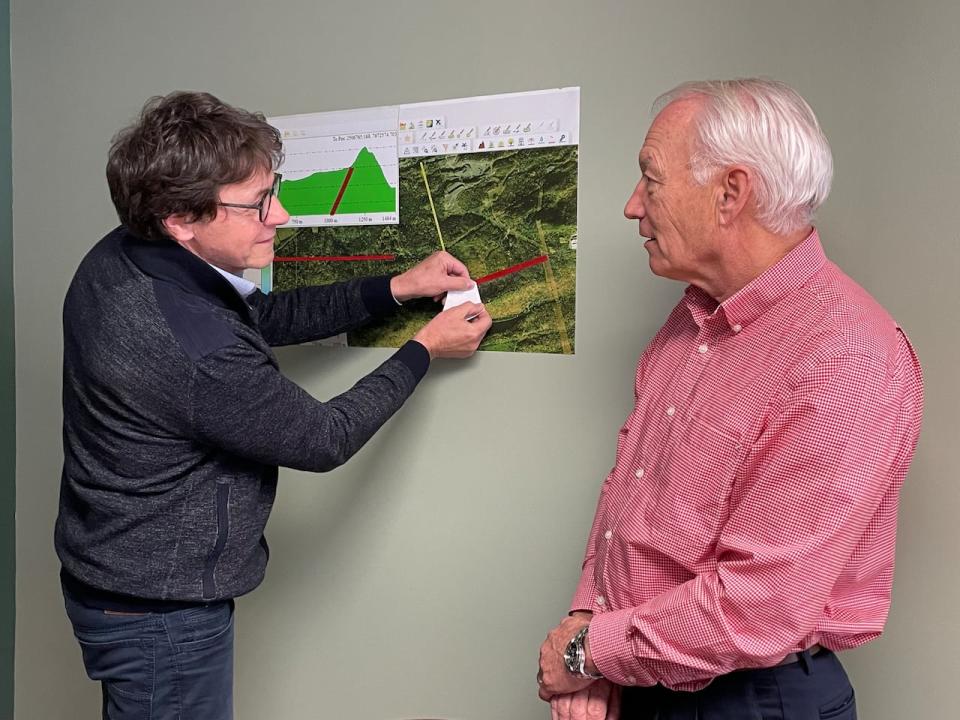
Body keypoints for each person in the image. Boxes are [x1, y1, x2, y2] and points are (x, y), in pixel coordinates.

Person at [54, 91, 492, 720]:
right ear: (181, 217)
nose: (280, 214)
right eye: (257, 202)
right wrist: (425, 347)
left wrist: (395, 289)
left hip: (117, 578)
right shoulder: (196, 348)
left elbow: (257, 318)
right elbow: (322, 438)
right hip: (162, 611)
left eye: (273, 190)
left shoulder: (125, 253)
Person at [537, 78, 923, 720]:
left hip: (750, 699)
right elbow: (627, 499)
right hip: (644, 673)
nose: (633, 206)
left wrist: (587, 653)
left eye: (649, 179)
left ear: (730, 194)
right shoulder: (690, 321)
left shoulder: (847, 356)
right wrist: (590, 623)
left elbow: (760, 605)